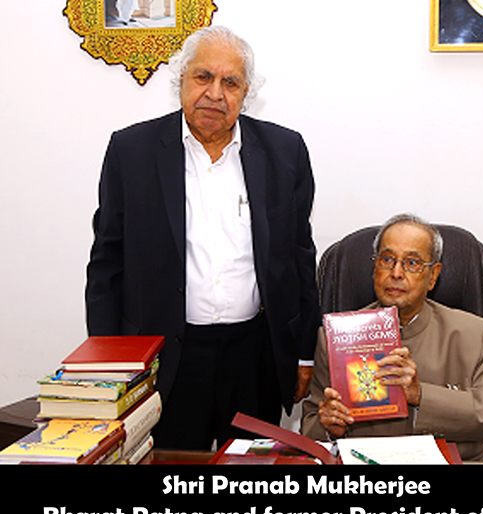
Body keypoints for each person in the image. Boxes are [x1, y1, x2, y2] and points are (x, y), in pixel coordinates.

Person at [85, 26, 321, 450]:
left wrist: (305, 353)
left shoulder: (285, 151)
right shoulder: (131, 151)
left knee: (251, 472)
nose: (215, 93)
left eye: (230, 82)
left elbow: (300, 257)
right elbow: (107, 263)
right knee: (172, 468)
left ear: (246, 92)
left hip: (256, 357)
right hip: (165, 358)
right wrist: (109, 365)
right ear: (181, 80)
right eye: (203, 77)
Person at [301, 214, 483, 462]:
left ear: (433, 275)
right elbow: (309, 426)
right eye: (387, 259)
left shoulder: (472, 333)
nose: (396, 273)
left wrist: (421, 395)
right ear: (374, 268)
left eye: (412, 263)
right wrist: (329, 428)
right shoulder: (337, 337)